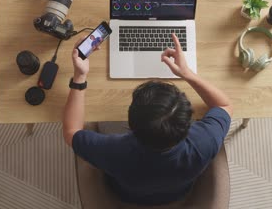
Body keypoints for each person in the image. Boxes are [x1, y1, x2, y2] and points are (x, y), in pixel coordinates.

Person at [62, 33, 233, 206]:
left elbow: (71, 132)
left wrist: (80, 76)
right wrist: (187, 73)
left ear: (129, 124)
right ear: (188, 124)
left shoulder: (112, 152)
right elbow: (224, 106)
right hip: (177, 193)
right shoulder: (204, 142)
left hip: (127, 195)